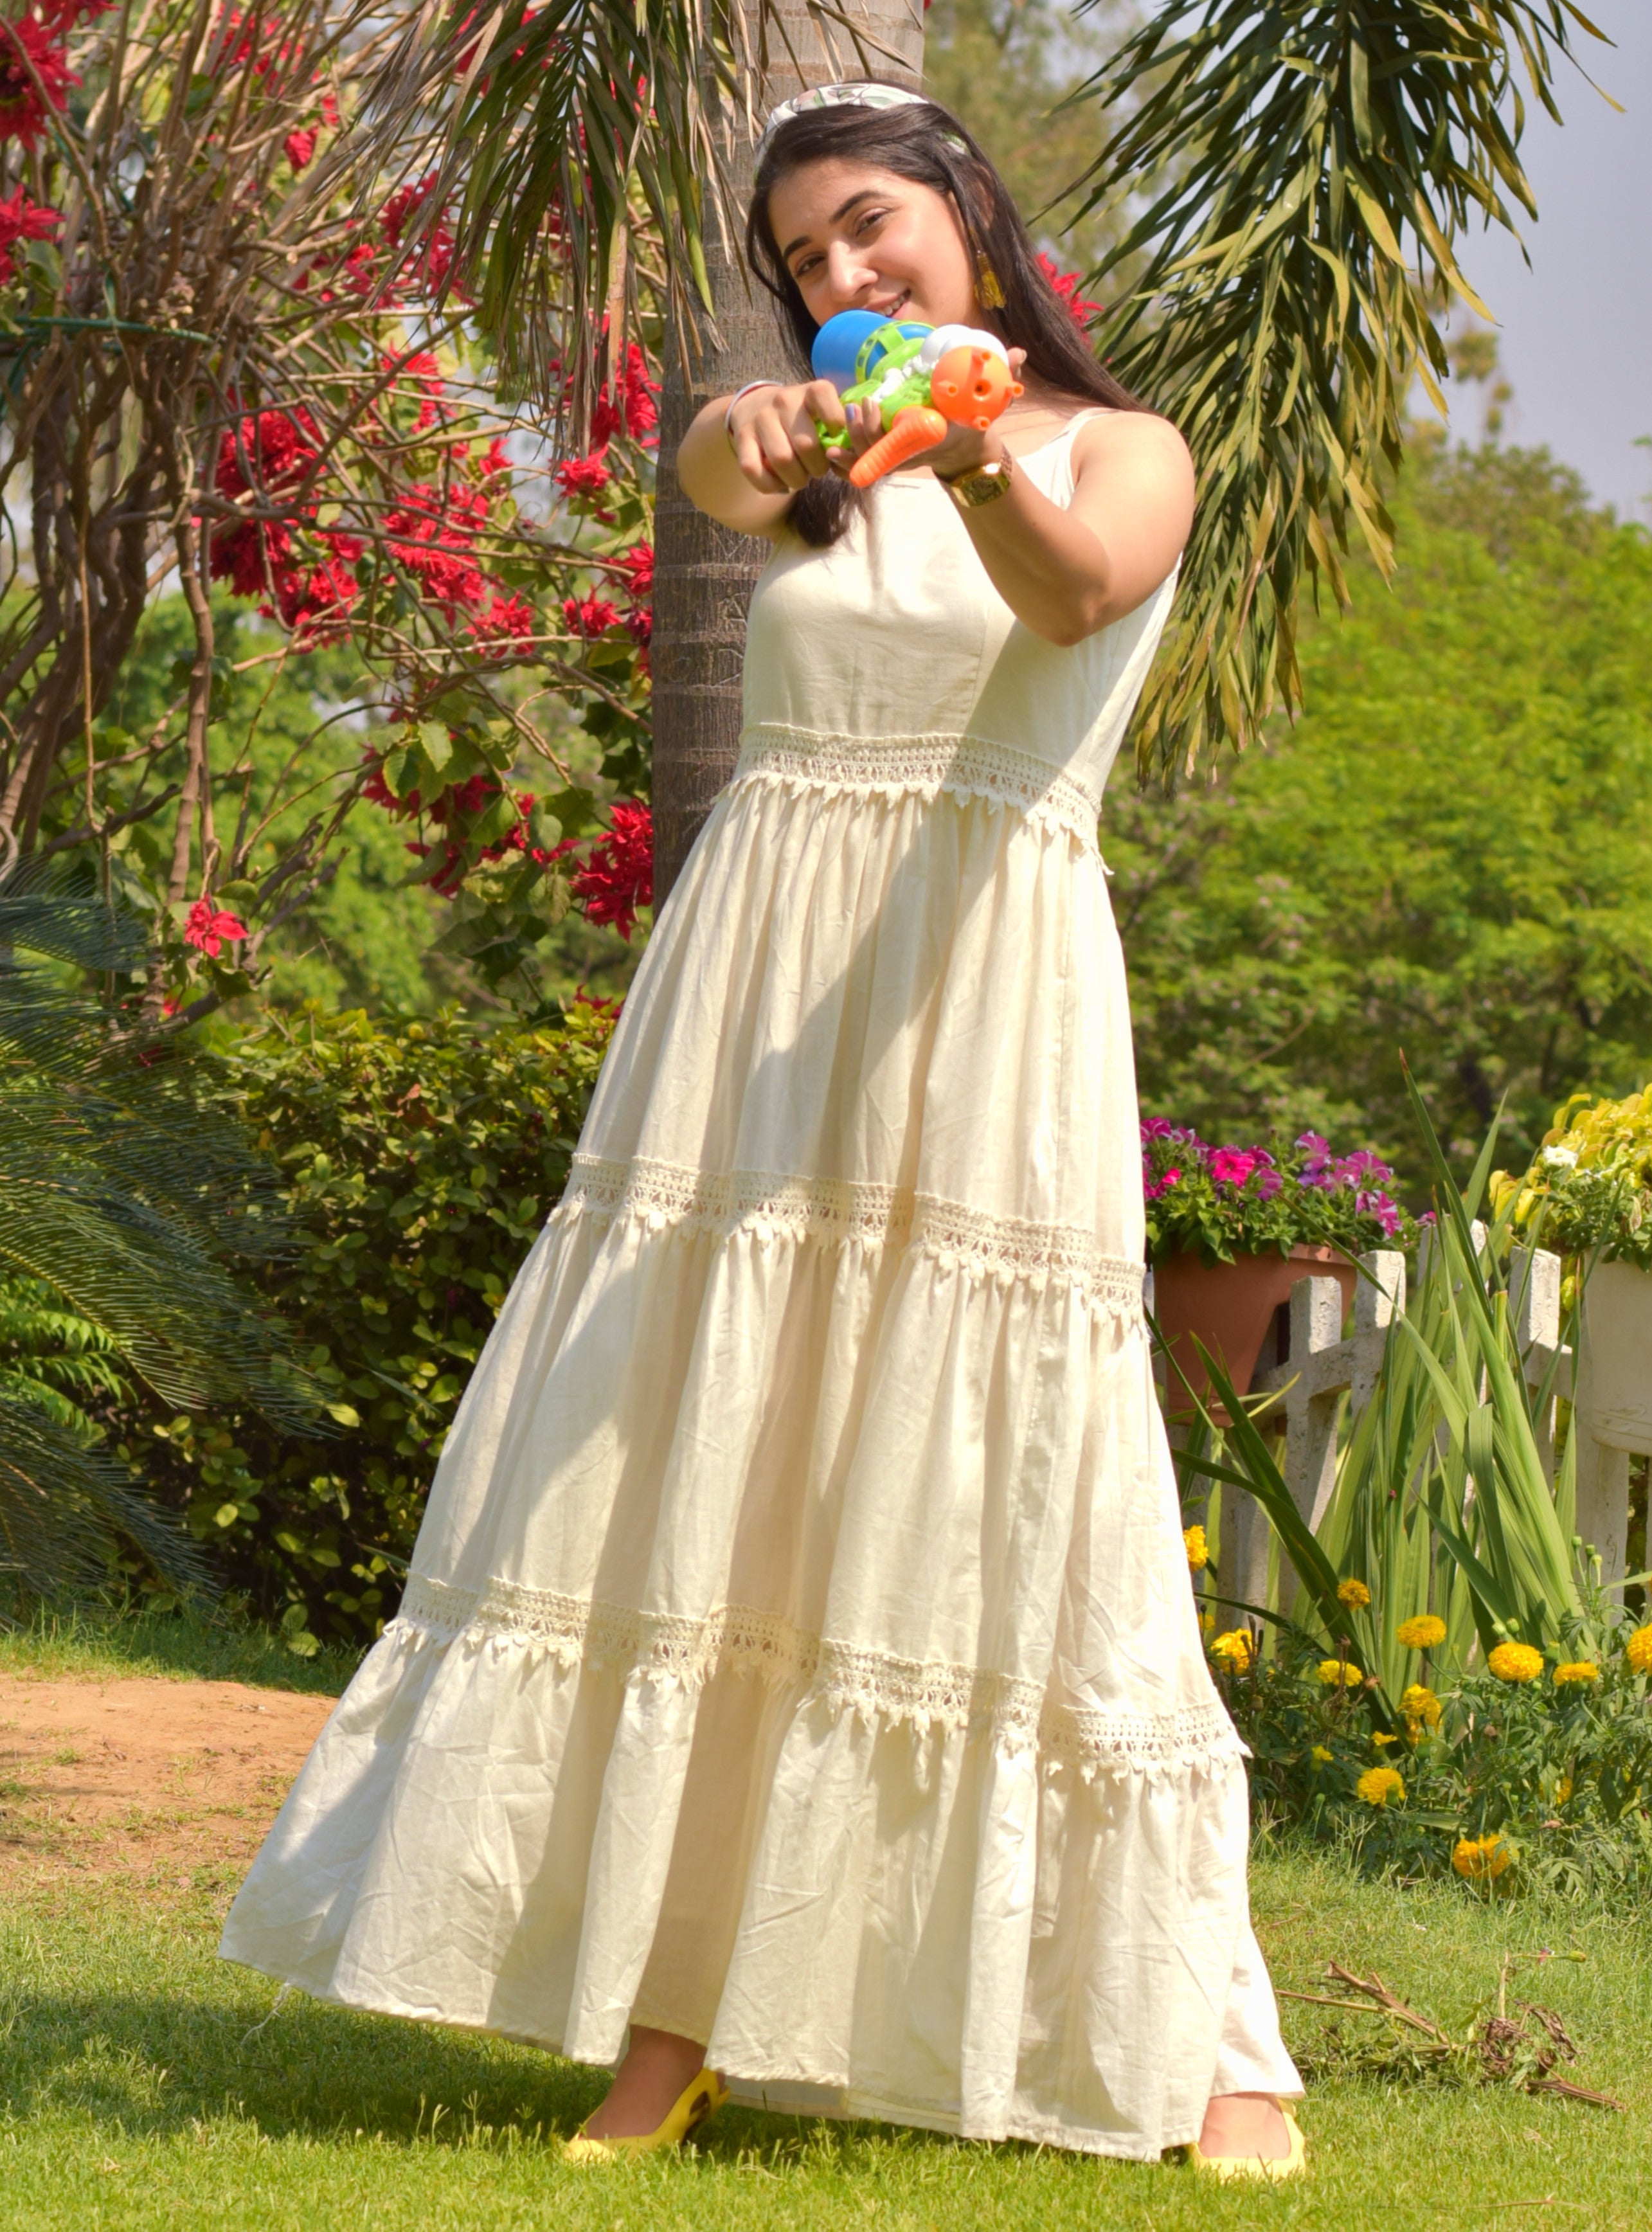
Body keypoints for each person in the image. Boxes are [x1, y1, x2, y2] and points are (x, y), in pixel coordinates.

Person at [220, 80, 1305, 2176]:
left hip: (982, 992)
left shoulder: (1121, 448)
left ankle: (1207, 2041)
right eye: (804, 256)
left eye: (870, 227)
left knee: (1010, 1484)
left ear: (969, 210)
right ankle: (672, 2020)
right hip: (756, 1016)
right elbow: (721, 465)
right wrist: (791, 423)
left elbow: (1074, 595)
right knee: (720, 1465)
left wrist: (966, 430)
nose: (840, 276)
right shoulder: (789, 453)